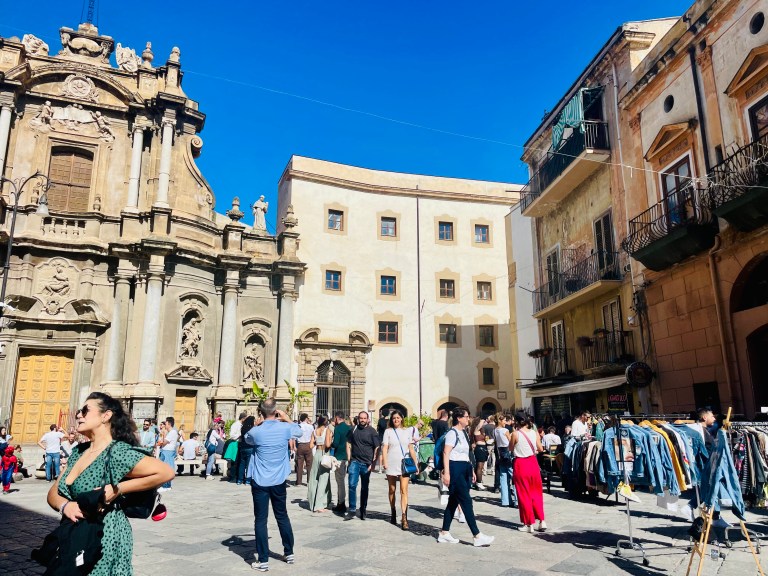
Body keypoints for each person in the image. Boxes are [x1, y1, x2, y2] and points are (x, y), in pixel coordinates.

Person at [45, 392, 173, 574]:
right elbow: (53, 493)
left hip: (104, 538)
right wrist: (65, 506)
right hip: (75, 535)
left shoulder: (117, 452)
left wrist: (118, 489)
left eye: (85, 410)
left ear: (106, 416)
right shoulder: (79, 452)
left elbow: (166, 472)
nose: (78, 415)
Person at [244, 398, 302, 572]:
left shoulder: (256, 432)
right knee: (282, 516)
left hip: (260, 480)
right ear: (276, 411)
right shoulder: (285, 428)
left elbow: (247, 439)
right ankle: (289, 552)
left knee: (261, 520)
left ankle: (263, 560)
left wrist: (259, 424)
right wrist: (286, 418)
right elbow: (300, 431)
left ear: (261, 412)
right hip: (279, 480)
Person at [437, 407, 494, 546]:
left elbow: (466, 453)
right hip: (455, 468)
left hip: (464, 467)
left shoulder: (464, 433)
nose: (468, 419)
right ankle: (477, 535)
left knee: (454, 501)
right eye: (466, 417)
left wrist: (472, 470)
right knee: (466, 501)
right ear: (459, 418)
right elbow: (446, 453)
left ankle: (444, 532)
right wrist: (447, 473)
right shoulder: (452, 433)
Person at [381, 409, 418, 529]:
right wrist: (385, 462)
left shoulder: (407, 431)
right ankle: (393, 511)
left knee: (404, 490)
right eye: (394, 418)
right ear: (391, 420)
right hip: (391, 462)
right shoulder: (388, 431)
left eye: (398, 418)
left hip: (404, 464)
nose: (396, 420)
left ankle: (404, 517)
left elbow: (411, 449)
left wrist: (416, 464)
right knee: (392, 489)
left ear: (402, 418)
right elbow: (385, 448)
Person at [511, 413, 546, 533]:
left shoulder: (515, 434)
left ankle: (528, 523)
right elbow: (540, 449)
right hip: (533, 463)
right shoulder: (534, 432)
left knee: (523, 494)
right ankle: (542, 521)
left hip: (521, 464)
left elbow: (510, 448)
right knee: (536, 492)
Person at [346, 411, 380, 520]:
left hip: (366, 463)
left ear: (368, 419)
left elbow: (377, 447)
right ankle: (352, 509)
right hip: (355, 461)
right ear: (358, 418)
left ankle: (363, 509)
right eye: (361, 418)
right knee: (352, 485)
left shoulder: (372, 431)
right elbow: (348, 443)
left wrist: (373, 463)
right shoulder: (353, 430)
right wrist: (349, 458)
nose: (362, 420)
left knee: (365, 487)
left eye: (365, 418)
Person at [307, 415, 332, 512]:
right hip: (324, 454)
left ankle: (313, 502)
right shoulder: (327, 430)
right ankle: (319, 505)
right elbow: (328, 444)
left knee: (314, 478)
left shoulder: (314, 431)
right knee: (323, 479)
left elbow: (310, 445)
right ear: (326, 422)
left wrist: (318, 442)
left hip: (317, 454)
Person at [329, 411, 351, 512]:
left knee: (340, 481)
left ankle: (341, 503)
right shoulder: (349, 428)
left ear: (337, 418)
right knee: (343, 480)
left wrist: (330, 444)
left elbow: (336, 443)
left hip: (339, 457)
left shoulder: (337, 429)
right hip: (347, 457)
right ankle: (342, 501)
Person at [494, 415, 517, 507]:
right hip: (508, 452)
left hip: (501, 453)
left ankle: (505, 500)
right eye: (504, 420)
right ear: (500, 420)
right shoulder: (505, 430)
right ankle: (517, 501)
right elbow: (511, 442)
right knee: (514, 476)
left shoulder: (495, 430)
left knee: (503, 476)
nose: (505, 422)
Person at [158, 417, 179, 491]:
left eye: (166, 424)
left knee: (168, 468)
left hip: (168, 451)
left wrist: (162, 436)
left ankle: (167, 486)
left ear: (169, 424)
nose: (164, 425)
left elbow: (164, 442)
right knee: (163, 468)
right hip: (165, 451)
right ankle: (164, 485)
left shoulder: (173, 432)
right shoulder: (170, 432)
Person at [236, 416, 256, 485]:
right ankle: (247, 480)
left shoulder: (243, 428)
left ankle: (239, 480)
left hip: (242, 447)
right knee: (248, 465)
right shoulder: (252, 429)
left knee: (242, 464)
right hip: (249, 447)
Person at [295, 413, 314, 487]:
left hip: (300, 445)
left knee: (299, 464)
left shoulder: (298, 426)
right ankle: (309, 481)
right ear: (306, 418)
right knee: (309, 464)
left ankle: (299, 481)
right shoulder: (310, 426)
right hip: (308, 445)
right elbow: (313, 435)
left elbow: (295, 436)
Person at [470, 417, 489, 490]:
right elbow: (479, 426)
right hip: (480, 448)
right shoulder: (476, 430)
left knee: (480, 466)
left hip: (483, 447)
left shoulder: (481, 431)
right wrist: (483, 420)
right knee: (479, 467)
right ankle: (479, 483)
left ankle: (477, 481)